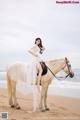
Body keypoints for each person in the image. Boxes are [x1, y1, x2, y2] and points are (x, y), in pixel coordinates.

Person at [28, 37, 45, 111]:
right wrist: (35, 55)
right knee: (40, 70)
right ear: (35, 41)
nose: (38, 41)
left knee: (40, 70)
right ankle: (38, 83)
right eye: (37, 40)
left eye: (39, 41)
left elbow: (42, 51)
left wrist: (42, 48)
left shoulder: (38, 47)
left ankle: (38, 82)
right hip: (35, 60)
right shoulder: (35, 46)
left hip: (37, 59)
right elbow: (29, 50)